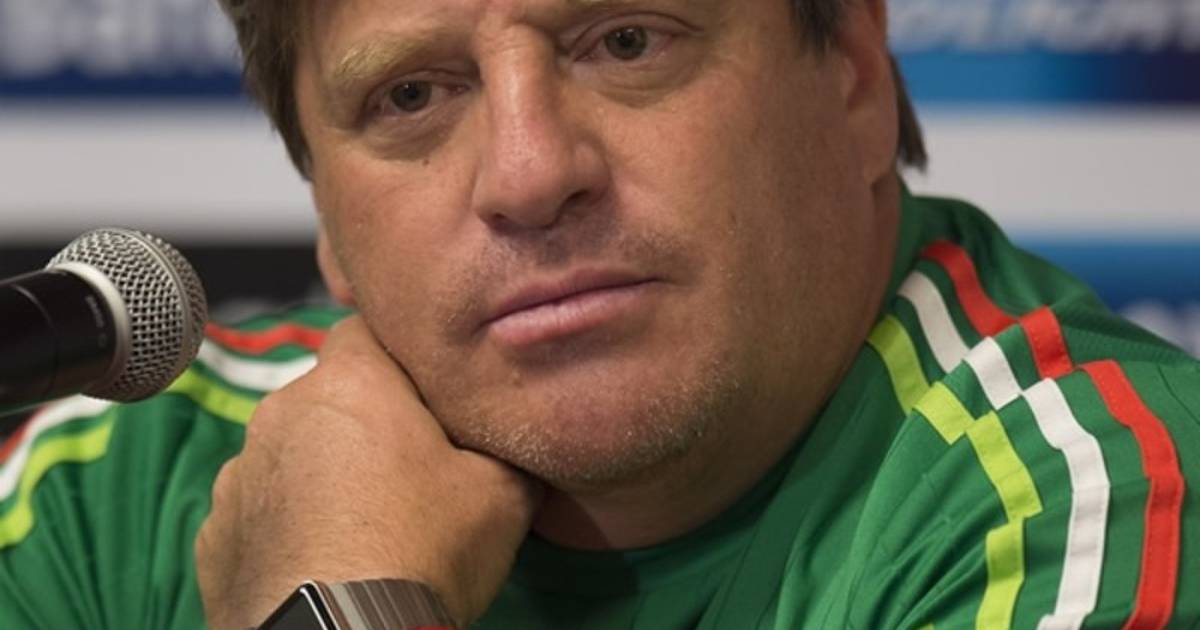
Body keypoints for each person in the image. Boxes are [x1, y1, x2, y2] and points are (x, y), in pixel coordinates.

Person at [0, 0, 1197, 628]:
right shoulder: (111, 489)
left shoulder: (1089, 504)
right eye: (412, 96)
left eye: (625, 42)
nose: (530, 173)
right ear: (325, 205)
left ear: (852, 76)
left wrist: (334, 605)